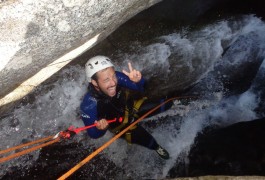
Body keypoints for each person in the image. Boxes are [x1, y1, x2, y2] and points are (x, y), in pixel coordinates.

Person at [80, 55, 170, 159]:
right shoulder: (88, 105)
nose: (113, 82)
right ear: (94, 82)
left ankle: (175, 103)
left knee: (165, 103)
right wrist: (101, 128)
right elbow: (93, 135)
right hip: (121, 126)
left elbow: (143, 88)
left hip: (131, 108)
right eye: (106, 80)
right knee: (149, 141)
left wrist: (138, 81)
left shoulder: (118, 77)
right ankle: (156, 147)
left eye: (113, 76)